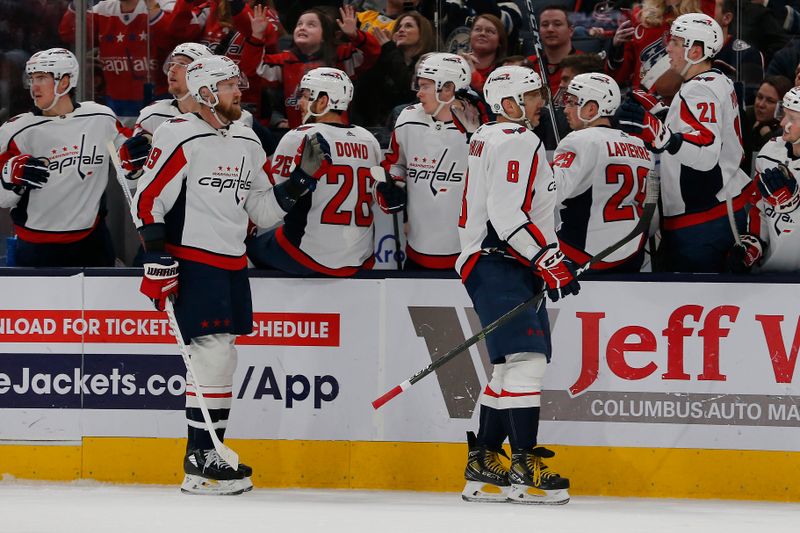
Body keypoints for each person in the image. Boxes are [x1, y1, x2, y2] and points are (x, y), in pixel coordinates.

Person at [131, 55, 330, 494]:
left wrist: (301, 181)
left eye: (237, 84)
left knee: (224, 357)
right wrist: (157, 255)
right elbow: (148, 199)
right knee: (213, 355)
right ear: (204, 92)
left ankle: (209, 452)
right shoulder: (180, 134)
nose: (238, 92)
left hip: (232, 262)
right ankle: (201, 456)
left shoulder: (247, 140)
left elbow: (259, 211)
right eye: (227, 85)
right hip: (193, 260)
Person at [457, 65, 578, 505]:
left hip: (500, 261)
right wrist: (546, 258)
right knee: (529, 359)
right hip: (501, 260)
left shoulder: (492, 135)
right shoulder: (516, 139)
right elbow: (507, 215)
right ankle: (524, 463)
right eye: (530, 95)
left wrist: (546, 257)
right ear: (509, 104)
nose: (539, 102)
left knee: (509, 366)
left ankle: (485, 458)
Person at [616, 13, 750, 273]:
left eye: (676, 42)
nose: (669, 48)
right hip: (717, 208)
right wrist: (663, 115)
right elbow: (702, 132)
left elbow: (705, 154)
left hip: (704, 217)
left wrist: (661, 135)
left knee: (697, 299)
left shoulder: (698, 90)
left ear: (696, 51)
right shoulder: (717, 80)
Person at [246, 67, 385, 276]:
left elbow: (271, 207)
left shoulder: (300, 136)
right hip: (359, 256)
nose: (300, 103)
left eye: (305, 95)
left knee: (243, 252)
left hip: (306, 253)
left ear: (323, 101)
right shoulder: (369, 139)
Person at [0, 48, 128, 267]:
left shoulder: (101, 117)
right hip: (36, 246)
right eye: (31, 79)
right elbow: (3, 199)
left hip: (92, 241)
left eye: (41, 78)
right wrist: (9, 176)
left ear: (65, 80)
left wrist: (136, 152)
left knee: (100, 302)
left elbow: (130, 170)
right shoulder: (16, 130)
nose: (34, 86)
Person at [120, 42, 277, 183]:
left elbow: (269, 167)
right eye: (171, 64)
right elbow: (130, 183)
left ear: (201, 75)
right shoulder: (152, 115)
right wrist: (133, 168)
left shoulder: (237, 118)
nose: (171, 69)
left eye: (181, 64)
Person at [554, 73, 655, 273]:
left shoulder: (580, 140)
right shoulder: (642, 147)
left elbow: (552, 194)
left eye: (573, 103)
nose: (566, 109)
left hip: (581, 255)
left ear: (592, 108)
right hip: (632, 255)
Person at [379, 53, 471, 270]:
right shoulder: (408, 118)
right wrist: (393, 185)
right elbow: (395, 164)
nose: (418, 93)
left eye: (425, 86)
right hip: (417, 249)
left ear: (448, 89)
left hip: (467, 253)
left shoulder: (480, 129)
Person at [240, 5, 381, 128]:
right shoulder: (285, 61)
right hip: (298, 134)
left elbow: (371, 54)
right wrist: (257, 36)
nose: (302, 27)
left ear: (325, 35)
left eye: (311, 25)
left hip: (336, 133)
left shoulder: (341, 57)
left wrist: (355, 35)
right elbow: (252, 71)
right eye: (299, 24)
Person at [59, 0, 175, 122]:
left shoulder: (163, 4)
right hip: (115, 106)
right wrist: (78, 3)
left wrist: (152, 6)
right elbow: (69, 33)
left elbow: (172, 37)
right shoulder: (102, 9)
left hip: (158, 105)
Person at [731, 86, 800, 273]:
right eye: (784, 114)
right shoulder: (770, 152)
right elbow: (758, 209)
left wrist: (791, 207)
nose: (782, 122)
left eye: (792, 119)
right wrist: (752, 247)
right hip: (771, 275)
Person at [352, 10, 435, 127]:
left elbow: (407, 86)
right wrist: (382, 53)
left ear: (422, 34)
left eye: (408, 26)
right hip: (376, 127)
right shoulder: (388, 56)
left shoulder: (429, 63)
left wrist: (389, 49)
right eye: (399, 27)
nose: (401, 30)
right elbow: (365, 92)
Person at [742, 76, 793, 173]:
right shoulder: (746, 116)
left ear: (783, 107)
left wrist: (767, 136)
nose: (761, 104)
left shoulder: (790, 130)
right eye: (759, 97)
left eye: (770, 101)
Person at [461, 14, 508, 93]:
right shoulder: (458, 64)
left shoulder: (505, 70)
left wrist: (472, 72)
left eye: (490, 31)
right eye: (477, 29)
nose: (482, 33)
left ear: (500, 41)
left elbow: (488, 96)